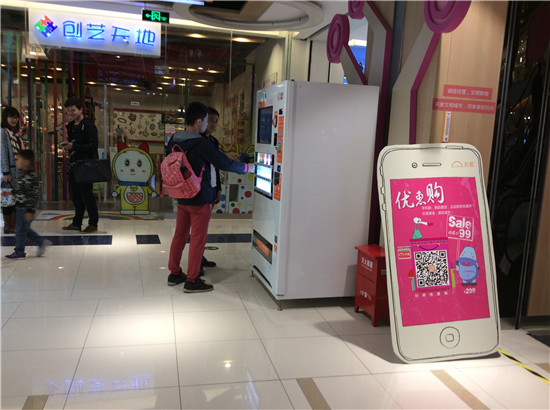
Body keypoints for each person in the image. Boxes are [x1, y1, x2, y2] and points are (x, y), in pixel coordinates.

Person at [166, 102, 254, 293]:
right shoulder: (201, 143)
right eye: (207, 120)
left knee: (180, 235)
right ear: (199, 121)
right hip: (200, 197)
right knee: (198, 239)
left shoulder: (174, 139)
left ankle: (174, 273)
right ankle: (192, 280)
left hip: (181, 195)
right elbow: (224, 163)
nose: (208, 124)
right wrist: (248, 168)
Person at [60, 97, 99, 233]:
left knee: (87, 195)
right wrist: (68, 146)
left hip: (86, 166)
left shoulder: (88, 126)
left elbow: (93, 146)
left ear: (80, 110)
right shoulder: (71, 126)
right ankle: (77, 222)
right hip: (74, 165)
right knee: (76, 195)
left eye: (73, 110)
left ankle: (93, 223)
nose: (70, 113)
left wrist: (74, 146)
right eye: (68, 111)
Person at [4, 150, 51, 259]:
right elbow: (22, 190)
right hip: (21, 206)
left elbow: (31, 195)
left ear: (25, 162)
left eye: (18, 159)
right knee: (24, 229)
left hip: (25, 208)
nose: (16, 162)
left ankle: (19, 251)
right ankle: (41, 241)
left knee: (20, 230)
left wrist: (29, 210)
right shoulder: (23, 174)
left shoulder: (30, 177)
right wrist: (11, 193)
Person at [199, 106, 222, 271]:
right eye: (211, 120)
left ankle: (200, 257)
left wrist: (218, 188)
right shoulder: (197, 141)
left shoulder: (213, 142)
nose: (213, 124)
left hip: (211, 188)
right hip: (199, 190)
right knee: (199, 231)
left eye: (216, 121)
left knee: (203, 229)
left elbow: (217, 166)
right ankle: (196, 264)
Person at [1, 106, 25, 234]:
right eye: (11, 117)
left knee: (14, 198)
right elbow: (3, 152)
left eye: (16, 117)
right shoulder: (3, 132)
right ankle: (8, 226)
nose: (14, 120)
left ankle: (13, 225)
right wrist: (6, 172)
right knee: (7, 199)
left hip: (16, 170)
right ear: (5, 117)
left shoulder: (13, 132)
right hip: (9, 171)